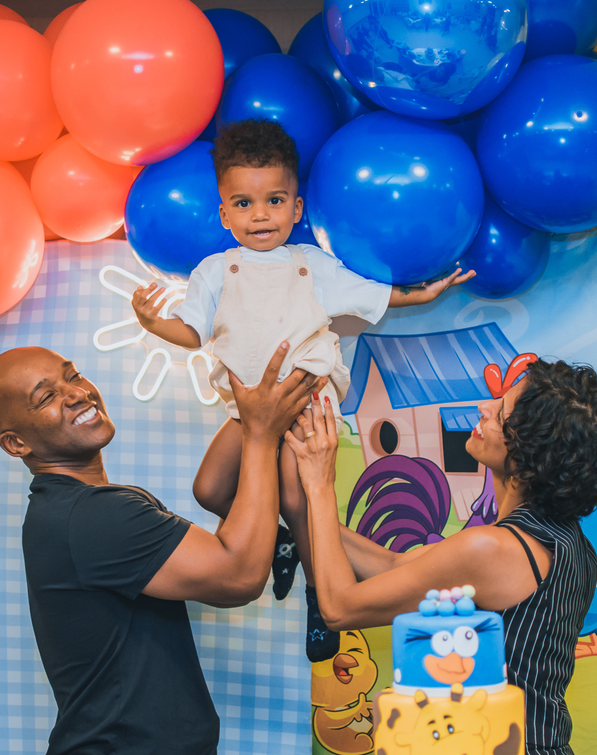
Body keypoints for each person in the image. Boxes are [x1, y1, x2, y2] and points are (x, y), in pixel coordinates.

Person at [129, 118, 473, 658]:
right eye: (243, 203)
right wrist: (155, 325)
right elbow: (191, 332)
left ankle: (322, 591)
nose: (260, 214)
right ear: (223, 212)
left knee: (296, 495)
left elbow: (373, 295)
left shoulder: (311, 266)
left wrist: (424, 295)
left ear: (297, 207)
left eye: (274, 200)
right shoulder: (214, 272)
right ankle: (285, 542)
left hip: (304, 402)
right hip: (249, 410)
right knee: (210, 490)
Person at [283, 360, 597, 755]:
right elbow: (393, 567)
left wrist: (321, 486)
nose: (483, 408)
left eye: (502, 412)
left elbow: (340, 607)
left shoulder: (494, 550)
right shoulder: (567, 545)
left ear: (528, 456)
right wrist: (302, 510)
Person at [0, 343, 320, 755]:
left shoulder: (75, 509)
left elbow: (223, 534)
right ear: (17, 444)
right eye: (46, 397)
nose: (76, 393)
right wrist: (259, 433)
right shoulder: (93, 516)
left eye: (72, 376)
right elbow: (237, 574)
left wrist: (248, 410)